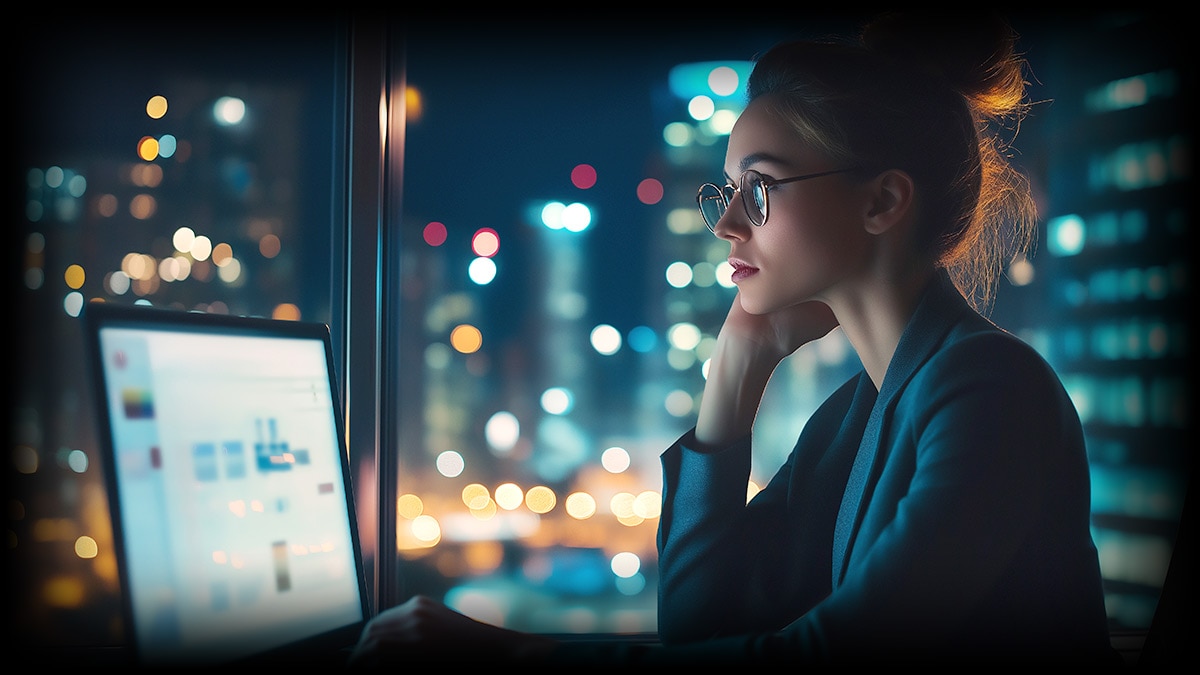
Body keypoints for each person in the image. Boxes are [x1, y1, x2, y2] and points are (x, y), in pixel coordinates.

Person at [349, 12, 1119, 666]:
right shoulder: (859, 411)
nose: (725, 222)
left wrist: (509, 654)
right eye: (726, 189)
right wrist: (733, 379)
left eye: (760, 187)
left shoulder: (989, 391)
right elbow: (699, 625)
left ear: (883, 200)